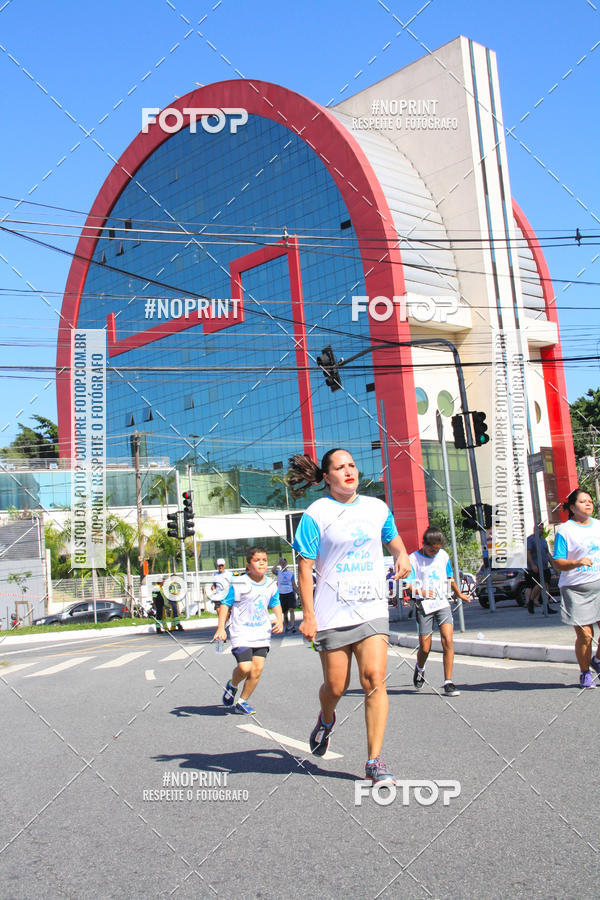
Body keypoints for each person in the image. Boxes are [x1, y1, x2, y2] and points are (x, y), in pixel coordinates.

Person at [288, 448, 410, 786]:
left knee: (374, 678)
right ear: (327, 477)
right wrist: (308, 616)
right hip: (332, 613)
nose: (349, 471)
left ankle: (374, 761)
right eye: (340, 467)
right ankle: (326, 719)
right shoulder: (317, 513)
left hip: (371, 607)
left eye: (352, 465)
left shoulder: (376, 508)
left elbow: (394, 541)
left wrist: (402, 555)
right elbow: (304, 567)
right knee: (336, 686)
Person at [213, 546, 283, 714]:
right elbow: (225, 604)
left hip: (262, 633)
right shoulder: (239, 583)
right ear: (249, 565)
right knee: (245, 668)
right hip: (242, 632)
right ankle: (233, 685)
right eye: (257, 560)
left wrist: (280, 620)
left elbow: (275, 603)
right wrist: (221, 627)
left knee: (257, 670)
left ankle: (242, 702)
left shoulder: (271, 584)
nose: (262, 563)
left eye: (264, 560)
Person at [406, 526, 470, 696]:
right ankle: (420, 668)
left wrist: (459, 594)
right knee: (425, 648)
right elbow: (408, 584)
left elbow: (450, 578)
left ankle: (448, 682)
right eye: (431, 550)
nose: (434, 553)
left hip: (442, 603)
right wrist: (421, 592)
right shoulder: (413, 559)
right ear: (424, 544)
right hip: (424, 605)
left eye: (437, 550)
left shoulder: (443, 556)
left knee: (447, 640)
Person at [552, 488, 600, 689]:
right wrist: (577, 562)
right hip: (576, 589)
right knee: (586, 635)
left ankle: (597, 660)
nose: (588, 504)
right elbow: (558, 562)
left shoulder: (598, 525)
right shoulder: (565, 530)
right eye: (583, 501)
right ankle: (585, 673)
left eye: (590, 501)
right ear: (572, 507)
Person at [525, 523, 557, 615]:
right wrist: (532, 565)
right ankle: (531, 601)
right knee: (540, 584)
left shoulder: (543, 540)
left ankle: (546, 606)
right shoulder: (530, 539)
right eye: (539, 528)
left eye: (542, 528)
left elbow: (547, 554)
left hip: (545, 567)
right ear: (534, 529)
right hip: (536, 567)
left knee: (546, 586)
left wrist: (554, 566)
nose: (541, 530)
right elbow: (528, 552)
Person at [275, 557, 298, 632]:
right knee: (285, 612)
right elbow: (273, 570)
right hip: (282, 594)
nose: (283, 564)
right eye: (282, 563)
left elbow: (294, 585)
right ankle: (286, 625)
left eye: (284, 563)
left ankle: (292, 625)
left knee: (291, 609)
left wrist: (299, 593)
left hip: (290, 593)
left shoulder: (290, 574)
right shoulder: (278, 572)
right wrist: (278, 562)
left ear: (286, 564)